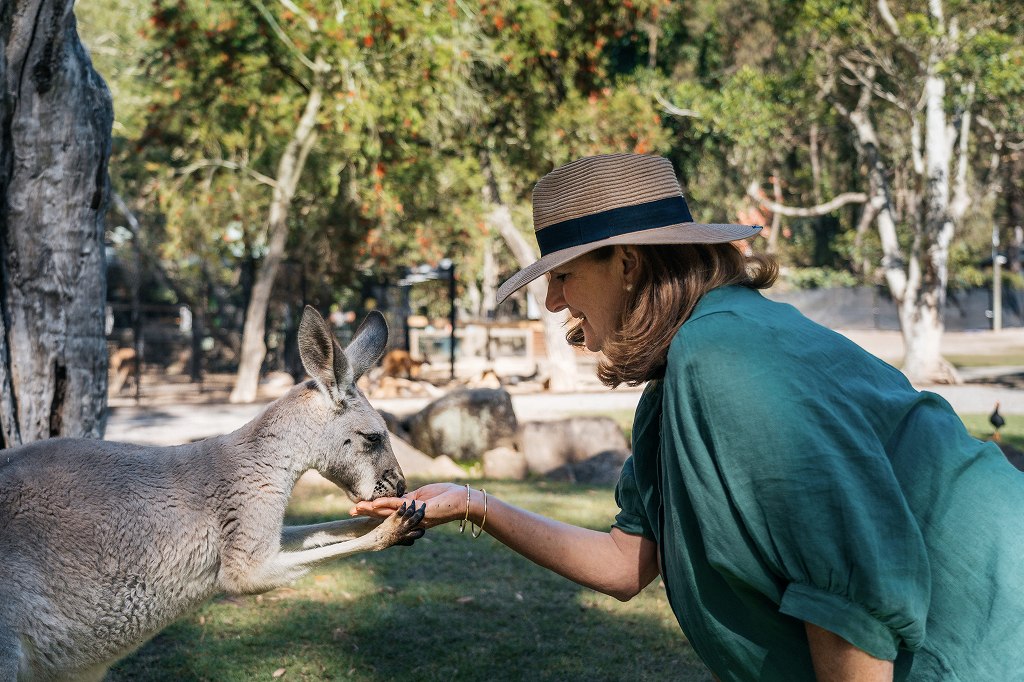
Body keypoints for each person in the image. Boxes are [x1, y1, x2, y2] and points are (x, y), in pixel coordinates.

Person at [353, 153, 1024, 681]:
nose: (553, 300)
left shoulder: (722, 357)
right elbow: (624, 563)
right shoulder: (684, 377)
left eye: (562, 274)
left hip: (990, 637)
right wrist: (474, 504)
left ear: (626, 263)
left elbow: (849, 600)